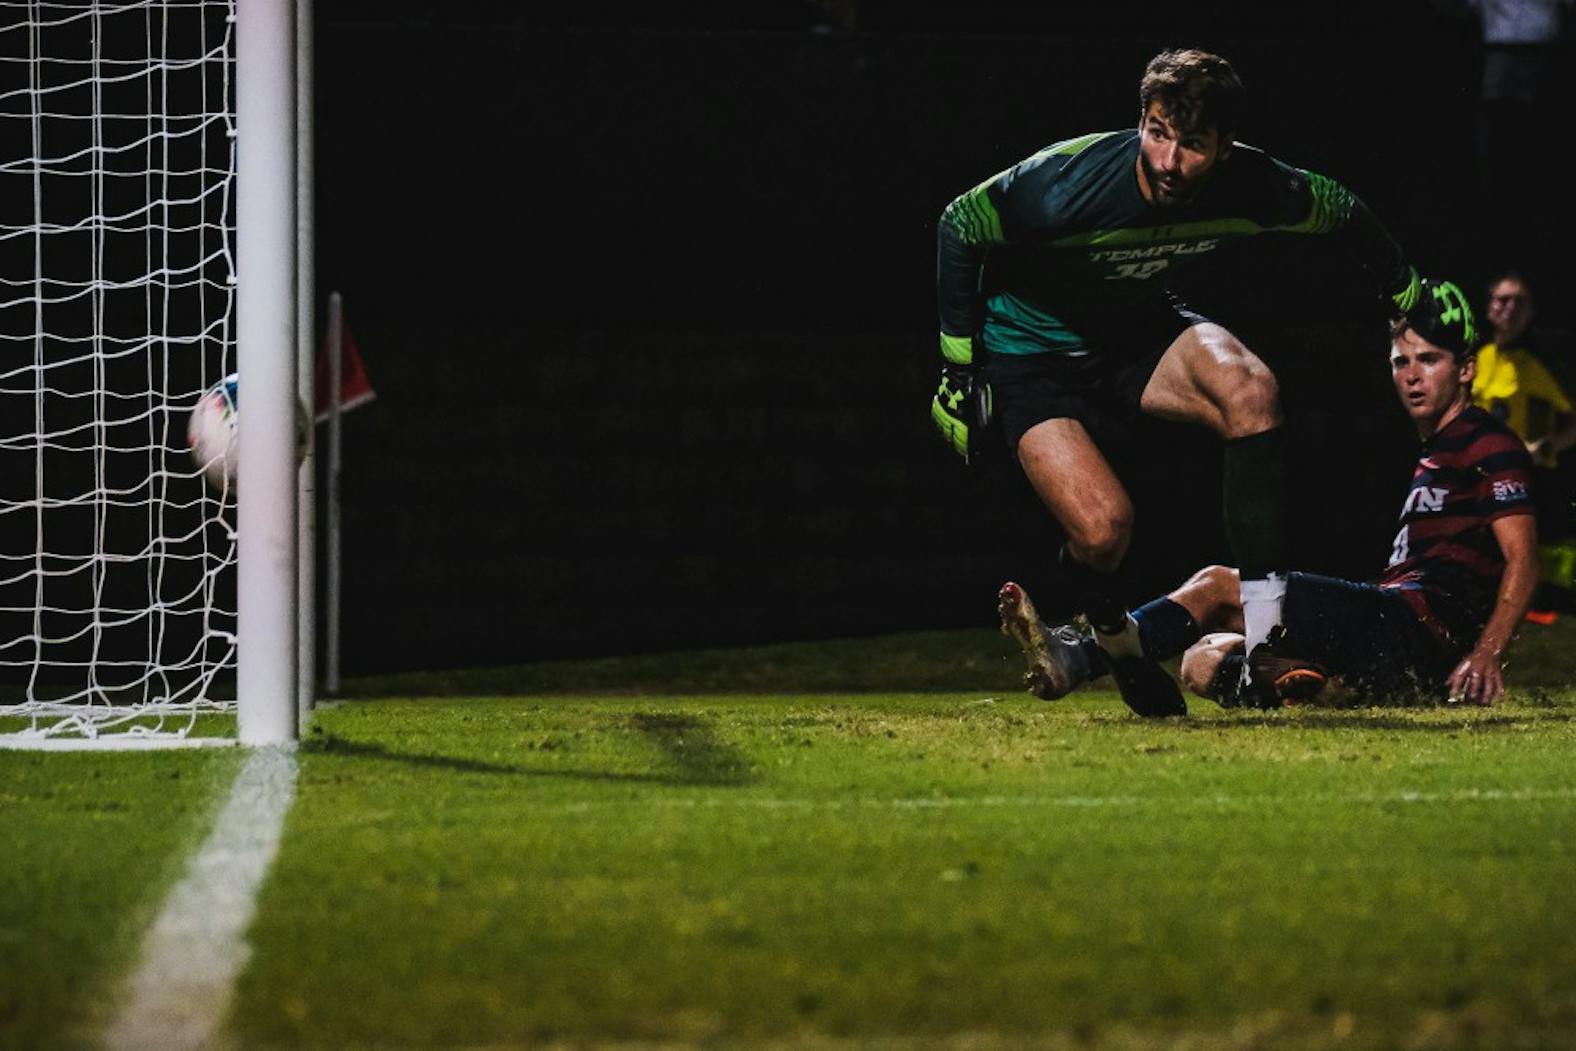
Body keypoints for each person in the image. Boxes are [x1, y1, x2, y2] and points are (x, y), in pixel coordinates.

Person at [932, 48, 1421, 717]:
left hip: (1135, 335)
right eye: (1157, 133)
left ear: (1224, 147)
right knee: (1104, 533)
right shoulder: (1064, 186)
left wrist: (1409, 291)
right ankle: (1114, 640)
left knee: (1252, 392)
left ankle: (1266, 642)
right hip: (1030, 357)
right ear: (1141, 120)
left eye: (1191, 144)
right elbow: (960, 223)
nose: (1167, 160)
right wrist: (958, 367)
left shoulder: (1253, 184)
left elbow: (1338, 207)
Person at [998, 279, 1539, 711]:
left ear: (1466, 369)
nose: (1412, 376)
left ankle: (1080, 658)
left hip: (1417, 628)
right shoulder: (1439, 448)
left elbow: (1523, 559)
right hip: (1401, 651)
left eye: (1429, 360)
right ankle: (1322, 688)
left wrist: (1487, 654)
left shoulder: (1487, 441)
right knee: (1200, 662)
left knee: (1217, 586)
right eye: (1401, 362)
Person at [1471, 270, 1576, 614]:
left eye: (1520, 301)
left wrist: (1548, 445)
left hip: (1526, 479)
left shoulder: (1539, 364)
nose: (1510, 307)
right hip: (1481, 476)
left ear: (1530, 312)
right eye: (1503, 299)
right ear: (1489, 308)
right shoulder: (1481, 357)